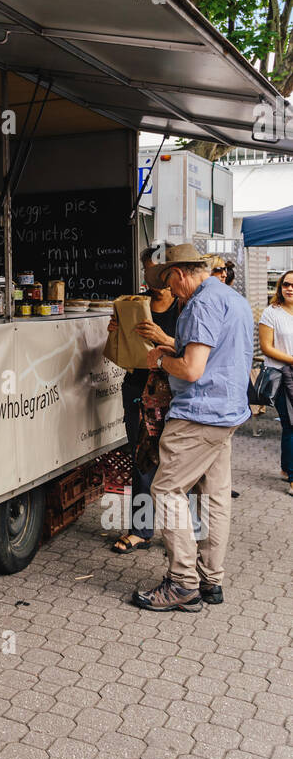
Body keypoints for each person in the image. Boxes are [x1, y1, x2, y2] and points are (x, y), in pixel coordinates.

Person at [132, 243, 253, 612]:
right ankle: (210, 581)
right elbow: (214, 354)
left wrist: (162, 359)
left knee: (167, 489)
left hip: (199, 414)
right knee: (215, 496)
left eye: (168, 280)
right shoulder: (232, 298)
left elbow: (192, 368)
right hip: (228, 412)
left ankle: (183, 582)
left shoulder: (200, 303)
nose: (169, 290)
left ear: (180, 273)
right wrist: (173, 345)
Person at [108, 246, 179, 553]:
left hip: (178, 389)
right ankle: (141, 529)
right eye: (147, 271)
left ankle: (185, 531)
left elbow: (199, 352)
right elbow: (121, 351)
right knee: (142, 457)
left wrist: (161, 337)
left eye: (157, 271)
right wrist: (116, 331)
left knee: (180, 461)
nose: (152, 279)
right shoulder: (135, 305)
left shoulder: (189, 305)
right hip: (138, 385)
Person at [258, 270, 293, 493]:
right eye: (286, 284)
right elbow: (266, 347)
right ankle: (292, 477)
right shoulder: (272, 312)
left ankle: (285, 467)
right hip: (282, 376)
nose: (290, 288)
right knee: (291, 425)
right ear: (280, 287)